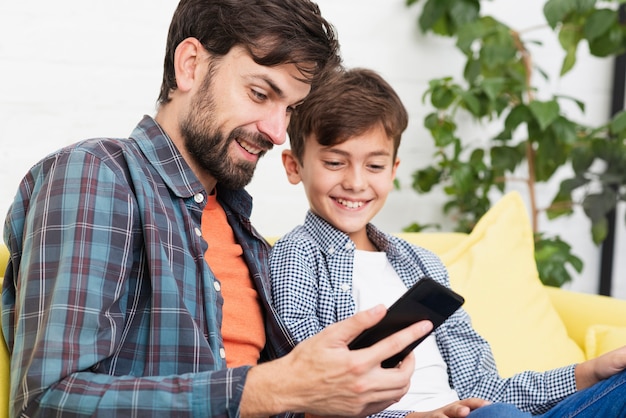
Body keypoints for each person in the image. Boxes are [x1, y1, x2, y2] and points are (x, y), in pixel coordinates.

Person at [1, 2, 435, 417]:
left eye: (291, 109)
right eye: (260, 93)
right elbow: (46, 400)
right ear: (190, 64)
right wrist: (273, 386)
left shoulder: (244, 233)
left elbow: (270, 401)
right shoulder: (98, 173)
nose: (278, 131)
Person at [269, 67, 626, 418]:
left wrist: (591, 372)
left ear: (393, 170)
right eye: (335, 162)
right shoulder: (296, 256)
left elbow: (487, 391)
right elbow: (309, 392)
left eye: (374, 166)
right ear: (294, 165)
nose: (356, 182)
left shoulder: (422, 264)